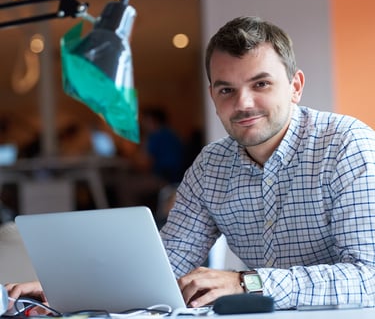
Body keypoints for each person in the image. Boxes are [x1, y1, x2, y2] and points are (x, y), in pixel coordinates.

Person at [5, 16, 375, 311]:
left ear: (295, 87)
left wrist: (248, 281)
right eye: (226, 89)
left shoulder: (346, 144)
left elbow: (370, 277)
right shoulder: (211, 165)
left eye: (260, 84)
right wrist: (70, 290)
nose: (243, 103)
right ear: (213, 95)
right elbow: (167, 266)